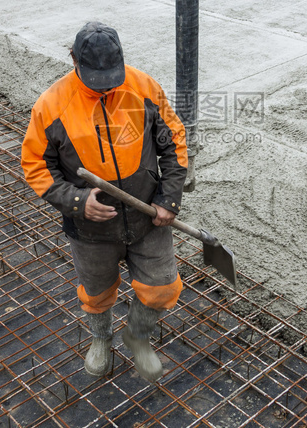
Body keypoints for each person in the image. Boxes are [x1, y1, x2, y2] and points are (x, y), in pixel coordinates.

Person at [21, 22, 188, 383]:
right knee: (96, 293)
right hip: (90, 228)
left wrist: (168, 199)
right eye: (96, 78)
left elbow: (173, 142)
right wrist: (77, 201)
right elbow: (35, 165)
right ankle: (101, 337)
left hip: (147, 216)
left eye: (112, 77)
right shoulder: (52, 105)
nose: (106, 86)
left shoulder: (144, 87)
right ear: (73, 59)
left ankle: (137, 335)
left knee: (162, 286)